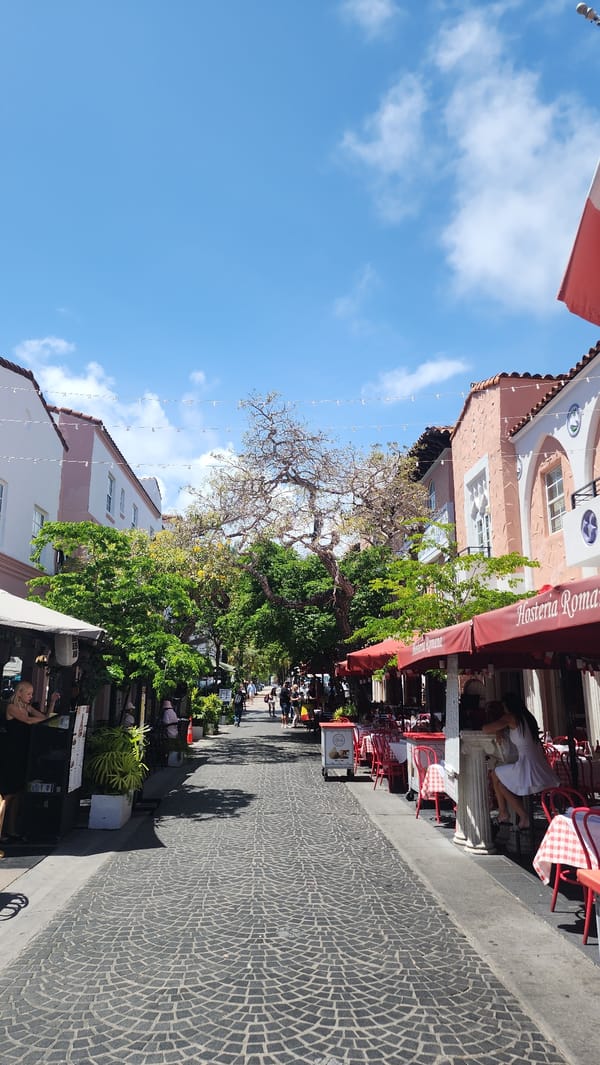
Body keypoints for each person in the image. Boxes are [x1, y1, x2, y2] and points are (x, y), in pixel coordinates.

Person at [482, 692, 559, 830]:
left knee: (495, 775)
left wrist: (499, 727)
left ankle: (505, 812)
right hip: (539, 764)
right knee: (499, 782)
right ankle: (515, 815)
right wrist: (501, 729)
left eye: (504, 706)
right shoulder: (528, 718)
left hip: (526, 765)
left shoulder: (510, 717)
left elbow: (486, 729)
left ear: (508, 706)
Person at [0, 681, 60, 846]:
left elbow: (43, 718)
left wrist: (52, 702)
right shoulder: (11, 707)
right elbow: (27, 721)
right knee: (8, 793)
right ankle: (2, 830)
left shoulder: (27, 707)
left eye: (32, 694)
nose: (31, 697)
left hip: (22, 752)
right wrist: (37, 717)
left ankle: (11, 830)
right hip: (11, 753)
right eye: (28, 693)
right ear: (19, 693)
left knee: (18, 793)